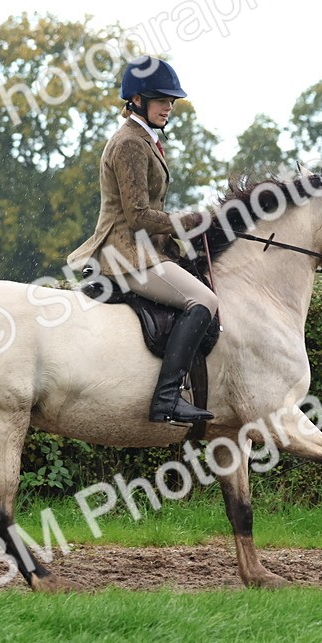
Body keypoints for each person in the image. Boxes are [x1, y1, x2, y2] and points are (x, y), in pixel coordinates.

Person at [67, 56, 218, 425]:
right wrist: (188, 220)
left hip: (147, 248)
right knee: (203, 300)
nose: (169, 106)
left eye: (171, 101)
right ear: (137, 100)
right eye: (161, 99)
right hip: (126, 253)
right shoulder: (130, 144)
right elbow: (137, 215)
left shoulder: (145, 140)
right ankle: (167, 400)